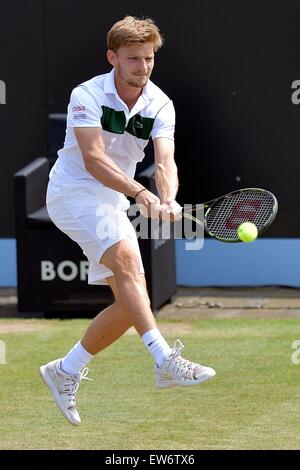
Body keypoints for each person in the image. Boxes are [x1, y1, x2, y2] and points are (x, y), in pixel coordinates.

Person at [40, 15, 216, 426]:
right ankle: (164, 361)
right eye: (133, 58)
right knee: (130, 267)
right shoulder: (86, 94)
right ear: (112, 58)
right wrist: (140, 192)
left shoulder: (160, 104)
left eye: (149, 58)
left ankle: (63, 370)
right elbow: (94, 159)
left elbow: (165, 160)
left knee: (130, 303)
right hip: (73, 193)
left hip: (111, 201)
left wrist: (168, 198)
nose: (143, 66)